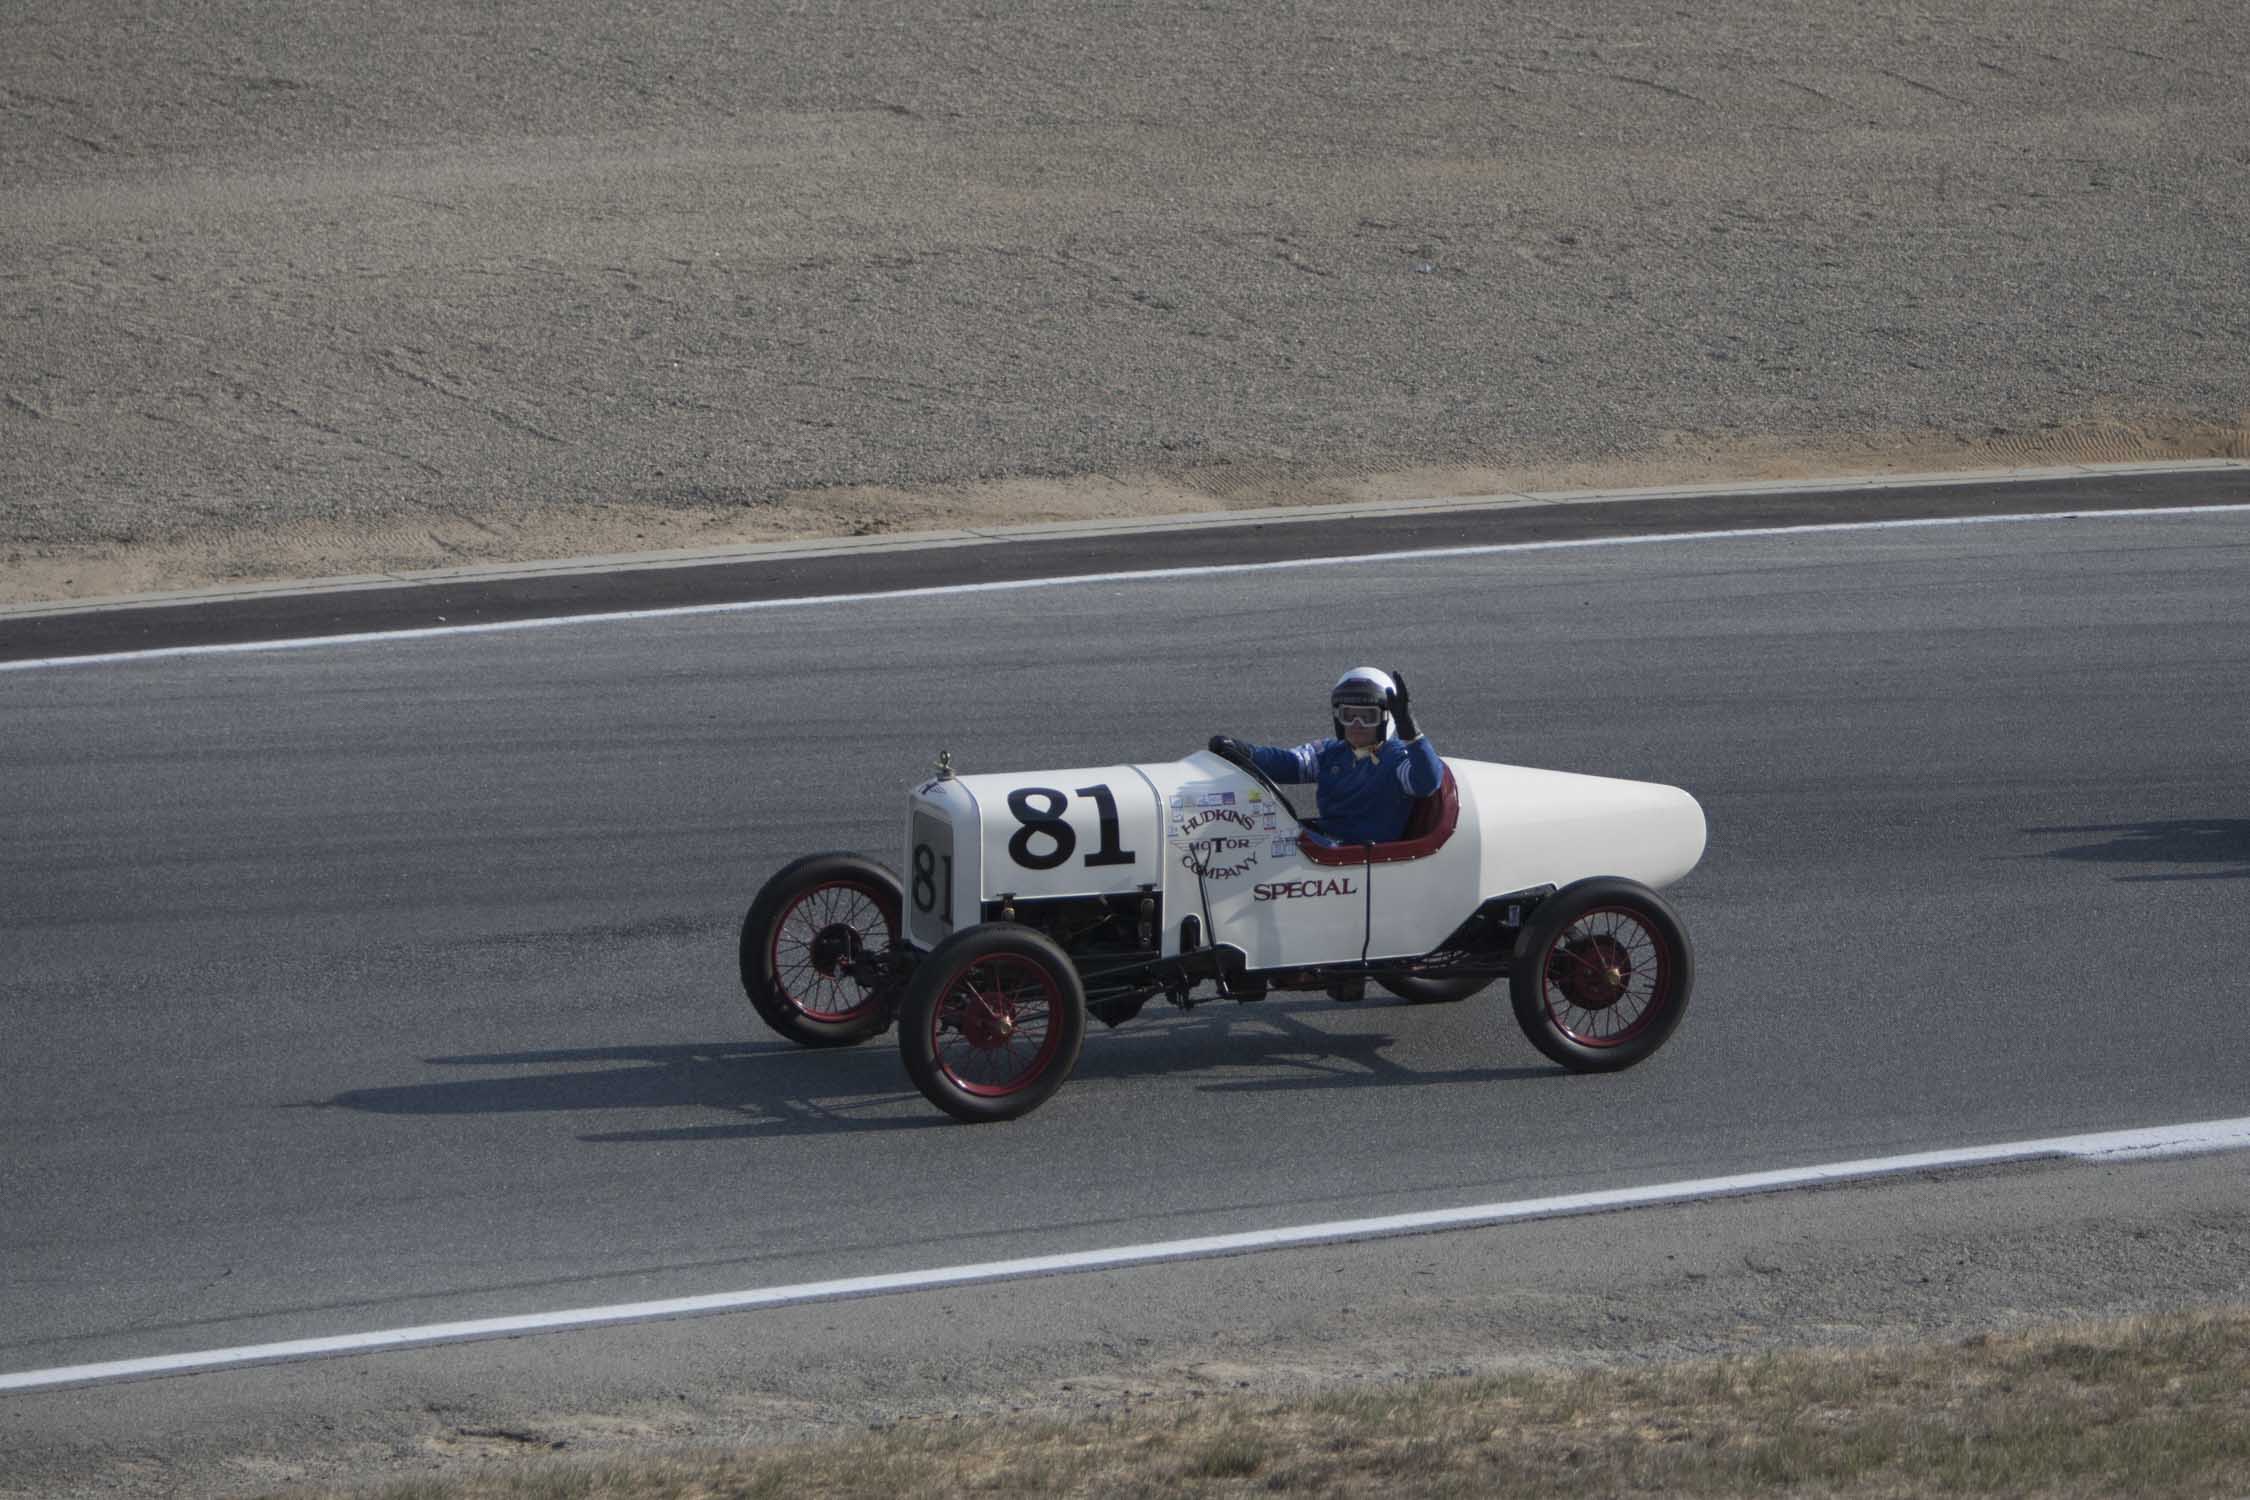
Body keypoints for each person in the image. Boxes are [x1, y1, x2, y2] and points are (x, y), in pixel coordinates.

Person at [1209, 667, 1442, 846]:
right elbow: (1289, 763)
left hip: (1359, 855)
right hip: (1325, 843)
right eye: (1348, 715)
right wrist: (1244, 751)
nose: (1357, 725)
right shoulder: (1330, 751)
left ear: (1386, 719)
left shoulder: (1397, 758)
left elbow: (1427, 782)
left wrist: (1409, 730)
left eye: (1367, 716)